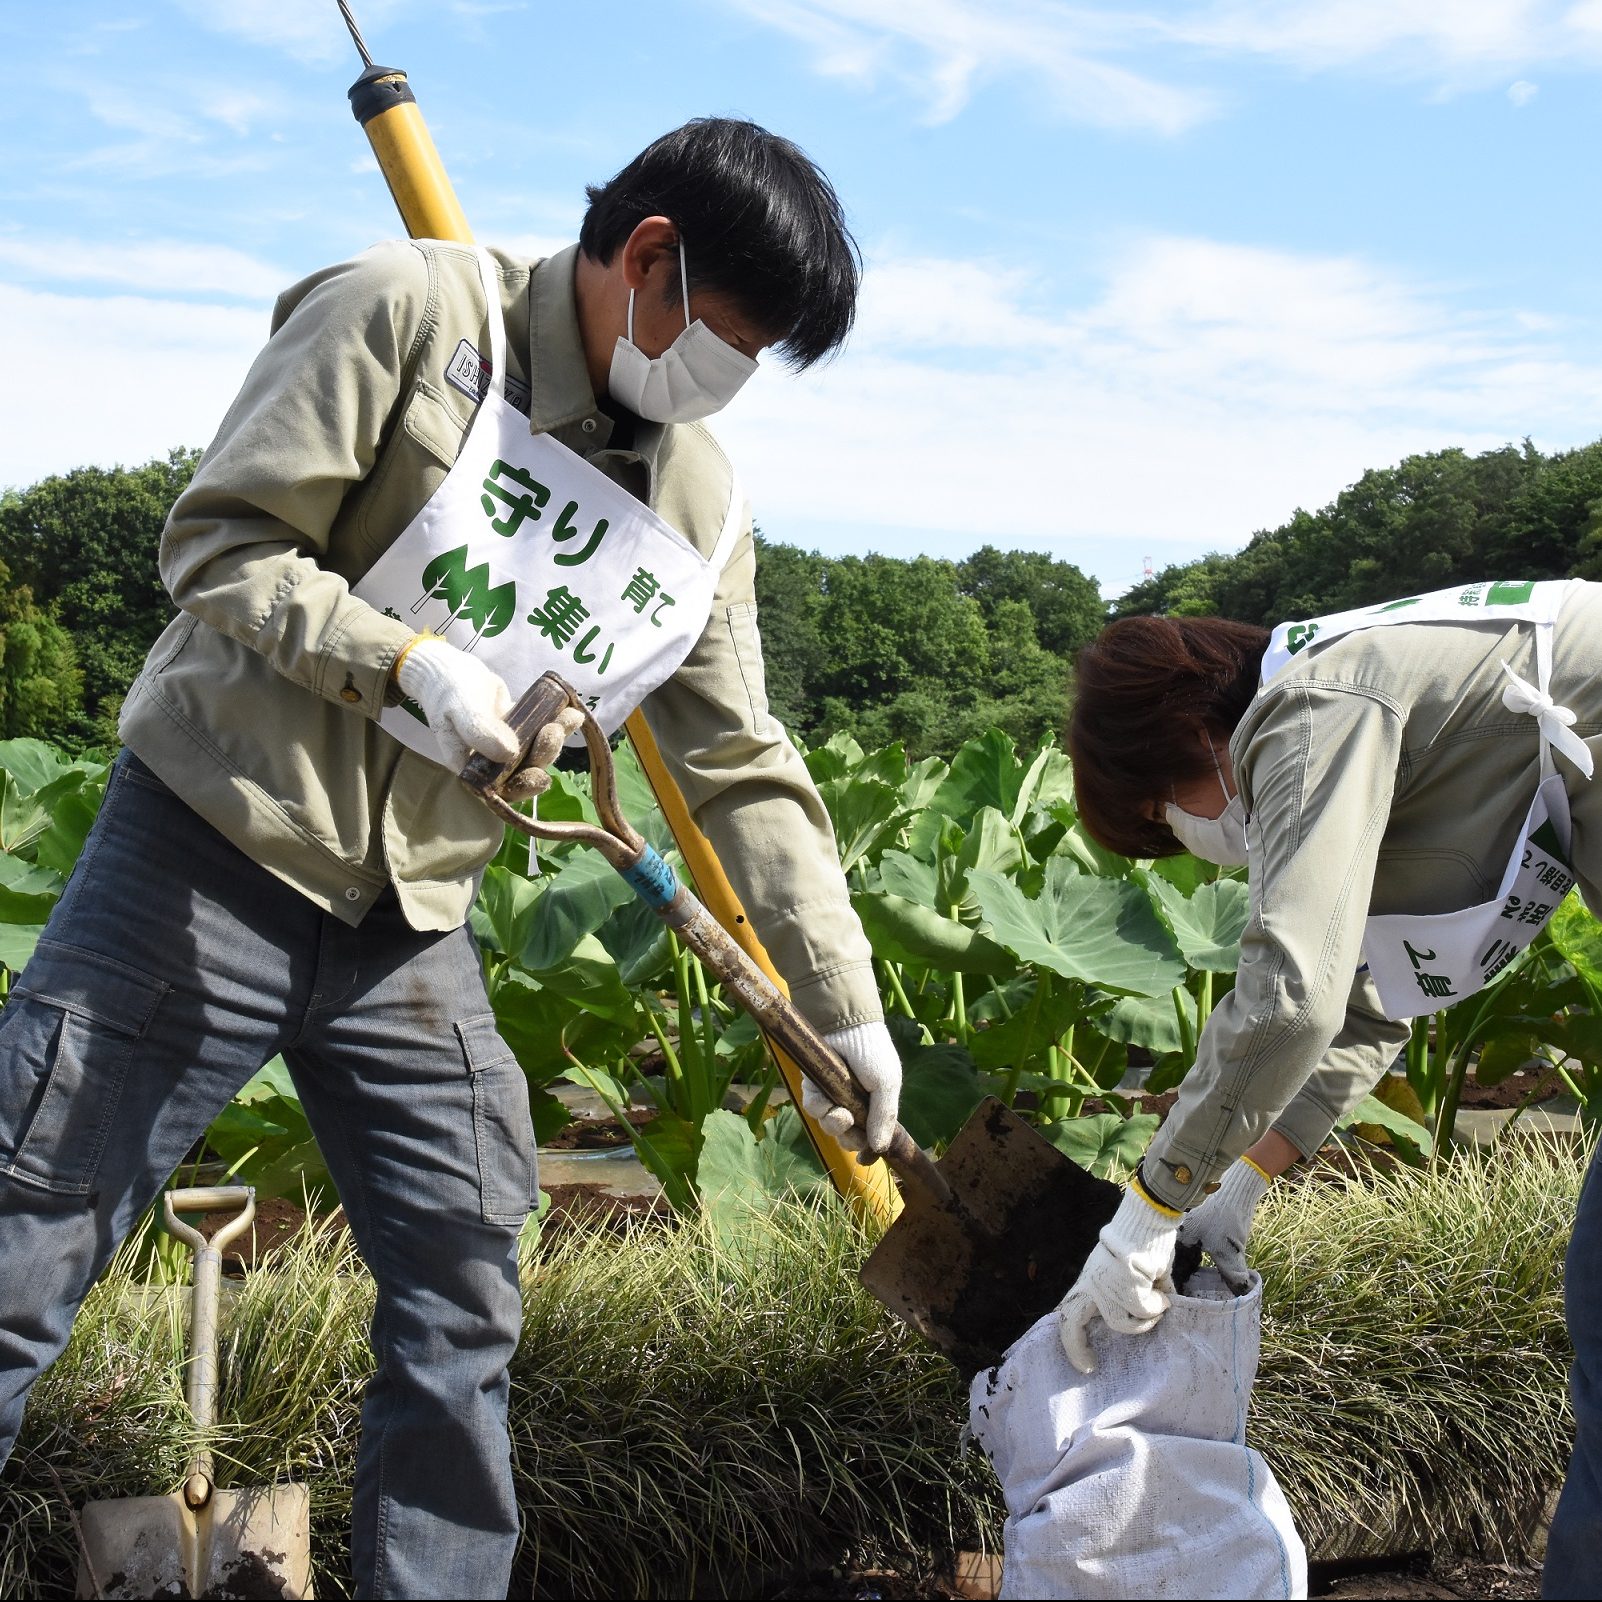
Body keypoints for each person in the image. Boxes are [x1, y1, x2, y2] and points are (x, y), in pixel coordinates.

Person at [0, 117, 902, 1600]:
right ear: (649, 257)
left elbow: (741, 758)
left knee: (465, 1286)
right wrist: (408, 665)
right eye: (727, 340)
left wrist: (844, 1009)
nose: (725, 384)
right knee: (26, 1246)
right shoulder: (413, 314)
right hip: (212, 848)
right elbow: (218, 546)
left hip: (409, 921)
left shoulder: (700, 502)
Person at [1054, 578, 1602, 1599]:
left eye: (1164, 817)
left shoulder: (1312, 708)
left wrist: (1149, 1206)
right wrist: (1242, 1179)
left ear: (1190, 742)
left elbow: (1292, 996)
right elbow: (1380, 995)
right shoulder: (1371, 699)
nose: (1187, 836)